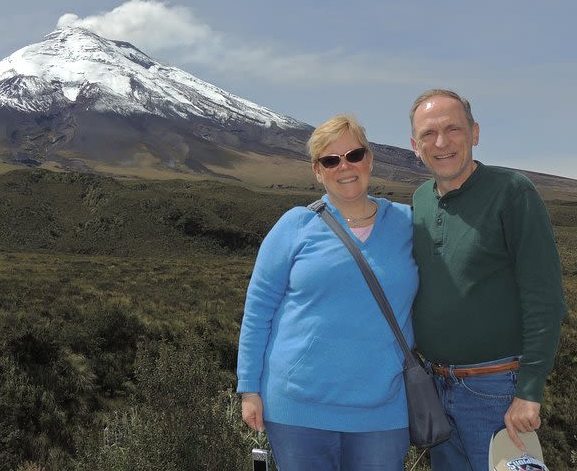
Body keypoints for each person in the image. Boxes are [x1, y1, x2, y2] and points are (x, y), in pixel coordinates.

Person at [236, 114, 419, 470]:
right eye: (330, 160)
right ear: (317, 171)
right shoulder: (295, 225)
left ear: (370, 158)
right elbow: (258, 311)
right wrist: (249, 389)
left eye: (354, 154)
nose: (344, 166)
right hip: (298, 410)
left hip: (383, 410)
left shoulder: (409, 223)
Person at [408, 89, 567, 471]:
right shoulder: (420, 200)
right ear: (414, 146)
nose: (441, 142)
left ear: (475, 133)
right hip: (436, 387)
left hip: (497, 393)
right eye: (428, 133)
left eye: (453, 129)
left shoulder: (513, 192)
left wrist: (529, 391)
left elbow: (545, 298)